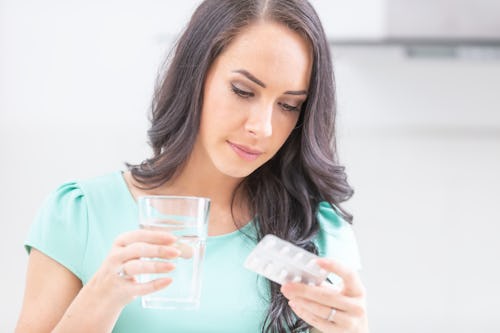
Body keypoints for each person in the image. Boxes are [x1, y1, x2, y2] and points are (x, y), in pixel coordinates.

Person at [15, 0, 369, 332]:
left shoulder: (319, 233)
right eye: (243, 91)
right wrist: (101, 299)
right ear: (195, 76)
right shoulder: (81, 215)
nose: (262, 127)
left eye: (289, 106)